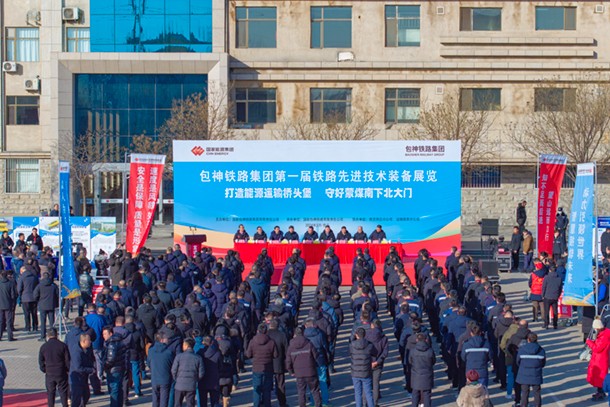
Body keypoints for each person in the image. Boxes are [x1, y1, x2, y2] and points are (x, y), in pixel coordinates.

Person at [286, 326, 322, 407]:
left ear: (294, 335)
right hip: (310, 371)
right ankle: (318, 405)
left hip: (299, 373)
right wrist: (318, 366)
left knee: (301, 392)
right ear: (303, 334)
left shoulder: (291, 346)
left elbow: (288, 360)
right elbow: (316, 356)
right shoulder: (309, 343)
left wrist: (290, 371)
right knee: (315, 390)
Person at [246, 324, 278, 407]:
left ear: (258, 331)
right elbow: (275, 355)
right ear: (266, 331)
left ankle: (256, 405)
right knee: (267, 389)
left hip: (257, 367)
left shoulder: (253, 341)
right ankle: (267, 404)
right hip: (268, 367)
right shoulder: (271, 341)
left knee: (256, 388)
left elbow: (248, 354)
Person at [39, 328, 70, 407]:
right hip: (61, 372)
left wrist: (44, 369)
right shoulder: (63, 346)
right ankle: (64, 405)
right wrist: (67, 369)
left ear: (47, 336)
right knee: (63, 391)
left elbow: (41, 361)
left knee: (50, 393)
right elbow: (67, 360)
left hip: (50, 373)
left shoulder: (44, 347)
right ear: (57, 335)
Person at [172, 338, 205, 407]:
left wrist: (177, 379)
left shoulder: (179, 356)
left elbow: (173, 370)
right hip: (191, 385)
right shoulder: (198, 358)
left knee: (177, 404)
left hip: (179, 385)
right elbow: (201, 373)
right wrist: (195, 380)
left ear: (186, 346)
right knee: (190, 404)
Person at [516, 333, 546, 407]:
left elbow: (518, 361)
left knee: (524, 392)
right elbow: (543, 363)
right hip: (536, 374)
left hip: (524, 374)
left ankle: (524, 405)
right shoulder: (541, 350)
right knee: (537, 392)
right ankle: (537, 405)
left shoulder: (522, 349)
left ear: (528, 340)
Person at [148, 332, 176, 407]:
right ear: (162, 340)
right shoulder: (169, 352)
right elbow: (172, 365)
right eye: (166, 338)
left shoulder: (151, 351)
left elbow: (148, 363)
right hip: (165, 378)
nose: (168, 340)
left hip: (154, 378)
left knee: (155, 399)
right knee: (164, 400)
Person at [350, 327, 376, 407]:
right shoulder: (369, 345)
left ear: (356, 335)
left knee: (357, 393)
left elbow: (350, 352)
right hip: (366, 372)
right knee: (368, 393)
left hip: (355, 372)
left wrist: (353, 338)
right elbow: (375, 353)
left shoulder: (352, 345)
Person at [103, 326, 128, 407]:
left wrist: (105, 366)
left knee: (114, 390)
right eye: (103, 334)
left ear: (110, 334)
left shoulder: (112, 344)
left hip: (113, 369)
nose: (104, 336)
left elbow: (111, 359)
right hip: (120, 367)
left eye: (105, 334)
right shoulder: (119, 341)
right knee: (119, 389)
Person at [409, 332, 436, 407]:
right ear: (426, 340)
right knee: (427, 394)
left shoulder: (413, 351)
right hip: (427, 374)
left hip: (416, 374)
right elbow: (433, 361)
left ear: (417, 340)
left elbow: (410, 361)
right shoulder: (430, 351)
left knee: (415, 393)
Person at [267, 319, 288, 407]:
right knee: (280, 384)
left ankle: (266, 402)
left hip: (267, 363)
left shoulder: (266, 335)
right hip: (279, 362)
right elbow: (286, 350)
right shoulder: (282, 335)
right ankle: (282, 403)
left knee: (267, 384)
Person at [70, 334, 95, 407]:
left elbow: (90, 359)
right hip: (77, 378)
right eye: (89, 340)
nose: (90, 342)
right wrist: (90, 370)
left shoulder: (87, 349)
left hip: (83, 377)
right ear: (84, 341)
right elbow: (78, 368)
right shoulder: (77, 352)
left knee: (86, 395)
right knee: (76, 399)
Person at [587, 319, 610, 400]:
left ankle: (601, 393)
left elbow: (597, 348)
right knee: (598, 376)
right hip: (599, 358)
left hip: (600, 359)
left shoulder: (604, 336)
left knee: (600, 377)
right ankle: (600, 392)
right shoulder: (604, 334)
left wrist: (589, 342)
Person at [34, 272, 59, 341]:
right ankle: (53, 335)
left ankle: (43, 336)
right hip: (51, 305)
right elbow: (58, 294)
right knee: (52, 322)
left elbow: (35, 295)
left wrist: (38, 301)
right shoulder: (53, 285)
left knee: (43, 322)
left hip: (42, 305)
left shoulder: (39, 286)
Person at [18, 265, 39, 332]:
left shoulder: (22, 278)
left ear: (21, 271)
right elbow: (38, 286)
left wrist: (20, 295)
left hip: (25, 298)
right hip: (34, 297)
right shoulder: (34, 277)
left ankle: (28, 327)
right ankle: (35, 327)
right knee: (34, 313)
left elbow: (19, 288)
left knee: (26, 313)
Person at [0, 271, 17, 341]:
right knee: (9, 321)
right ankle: (10, 337)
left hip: (0, 305)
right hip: (8, 304)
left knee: (1, 321)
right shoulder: (10, 283)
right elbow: (13, 295)